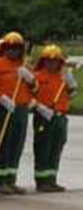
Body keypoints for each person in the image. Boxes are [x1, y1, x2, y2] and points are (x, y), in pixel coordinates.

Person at [0, 32, 35, 195]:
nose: (13, 51)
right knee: (2, 144)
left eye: (17, 48)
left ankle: (11, 179)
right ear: (4, 48)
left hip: (20, 109)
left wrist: (30, 80)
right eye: (10, 48)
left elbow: (36, 90)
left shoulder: (25, 66)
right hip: (1, 109)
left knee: (16, 145)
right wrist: (0, 98)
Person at [31, 45, 74, 192]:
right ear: (43, 61)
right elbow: (28, 98)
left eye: (55, 60)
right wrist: (40, 108)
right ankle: (41, 181)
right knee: (43, 148)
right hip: (43, 117)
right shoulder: (37, 77)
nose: (52, 63)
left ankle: (52, 180)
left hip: (60, 117)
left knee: (56, 149)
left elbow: (70, 95)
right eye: (48, 60)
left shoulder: (62, 77)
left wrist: (70, 84)